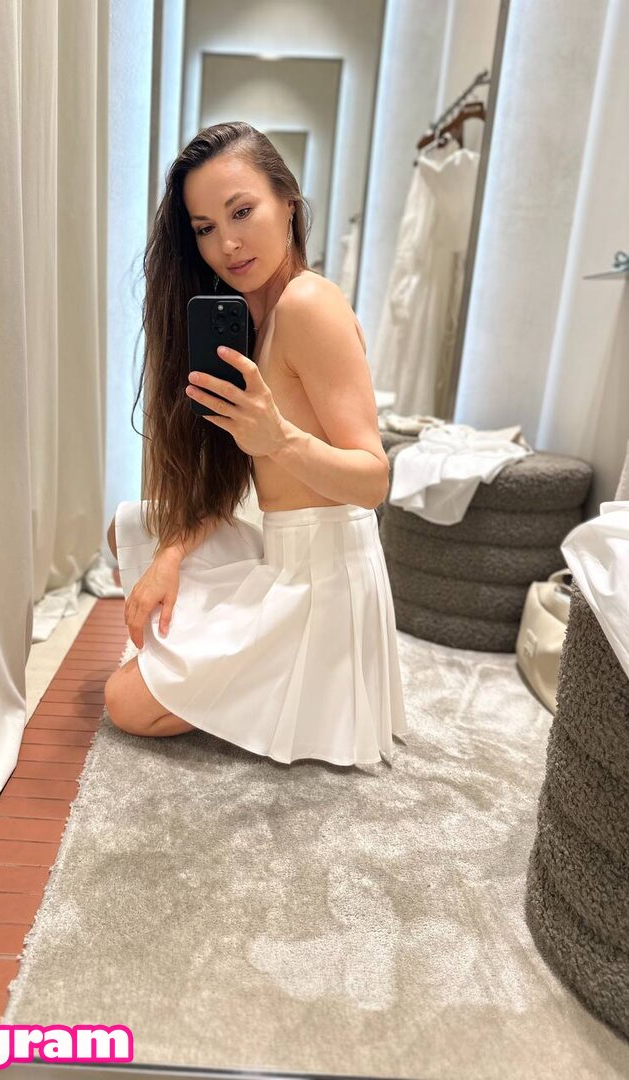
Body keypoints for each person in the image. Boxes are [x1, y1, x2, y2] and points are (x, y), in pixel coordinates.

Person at [103, 120, 408, 768]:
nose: (227, 244)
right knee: (129, 530)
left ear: (288, 203)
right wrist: (170, 557)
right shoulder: (253, 317)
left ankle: (269, 680)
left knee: (125, 703)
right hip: (284, 551)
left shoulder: (309, 304)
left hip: (321, 582)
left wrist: (279, 439)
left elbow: (373, 481)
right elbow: (229, 482)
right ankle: (224, 657)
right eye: (205, 227)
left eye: (242, 211)